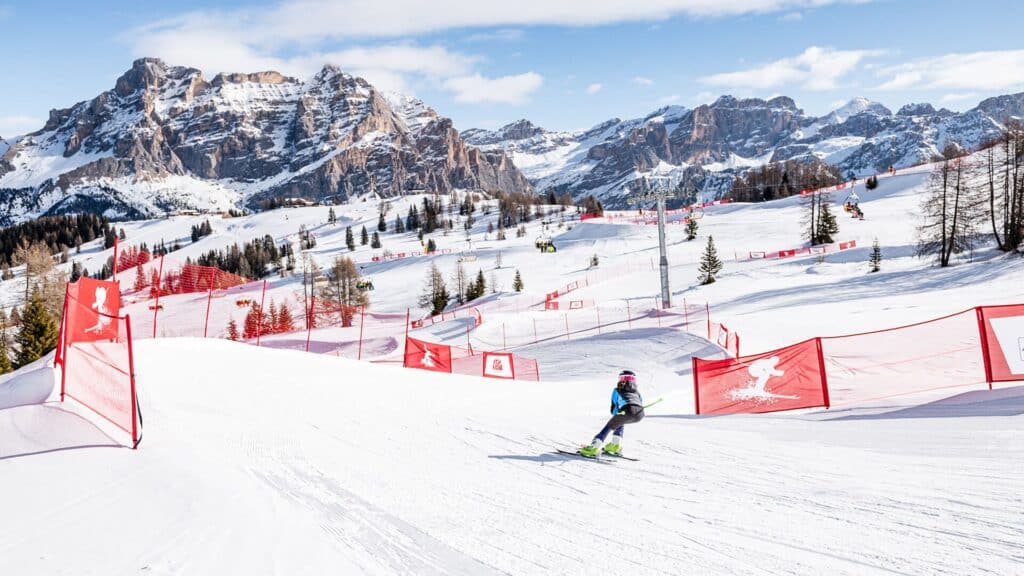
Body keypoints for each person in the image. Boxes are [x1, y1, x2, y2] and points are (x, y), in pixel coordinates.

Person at [580, 370, 645, 457]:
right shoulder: (637, 392)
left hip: (627, 410)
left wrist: (615, 415)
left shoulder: (617, 390)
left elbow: (614, 407)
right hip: (640, 414)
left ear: (620, 379)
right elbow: (640, 402)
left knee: (609, 426)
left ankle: (594, 447)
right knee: (620, 421)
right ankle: (615, 446)